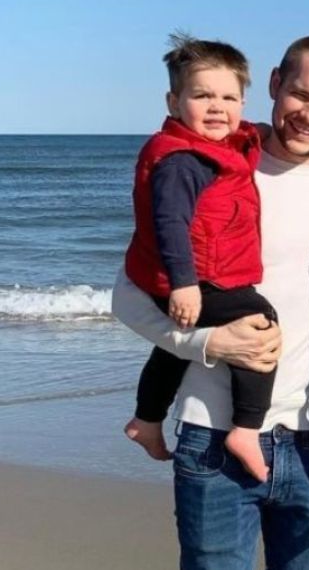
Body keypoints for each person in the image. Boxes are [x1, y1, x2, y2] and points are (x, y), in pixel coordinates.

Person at [113, 36, 309, 570]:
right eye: (301, 94)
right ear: (275, 84)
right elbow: (129, 297)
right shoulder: (210, 165)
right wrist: (207, 341)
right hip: (212, 436)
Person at [122, 32, 275, 482]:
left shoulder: (221, 148)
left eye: (229, 97)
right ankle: (246, 429)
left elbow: (250, 137)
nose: (217, 107)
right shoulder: (182, 161)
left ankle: (146, 419)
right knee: (260, 320)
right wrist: (184, 283)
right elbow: (169, 222)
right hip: (195, 278)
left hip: (201, 275)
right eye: (202, 95)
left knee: (174, 349)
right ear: (173, 102)